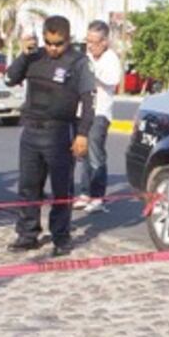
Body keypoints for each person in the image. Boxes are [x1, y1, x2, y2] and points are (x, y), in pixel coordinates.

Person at [4, 15, 95, 257]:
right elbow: (9, 79)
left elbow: (89, 101)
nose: (53, 48)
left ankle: (61, 237)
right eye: (49, 43)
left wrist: (83, 134)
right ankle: (27, 234)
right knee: (28, 186)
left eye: (59, 44)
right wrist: (24, 55)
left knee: (61, 189)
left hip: (60, 132)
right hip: (31, 131)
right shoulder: (34, 57)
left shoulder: (78, 62)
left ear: (68, 39)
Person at [75, 19, 121, 213]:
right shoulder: (85, 57)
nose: (90, 46)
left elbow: (112, 80)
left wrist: (92, 72)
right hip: (83, 112)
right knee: (83, 153)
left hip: (100, 113)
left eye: (94, 42)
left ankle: (97, 196)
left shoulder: (110, 59)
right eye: (88, 41)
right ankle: (85, 193)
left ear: (104, 42)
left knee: (95, 155)